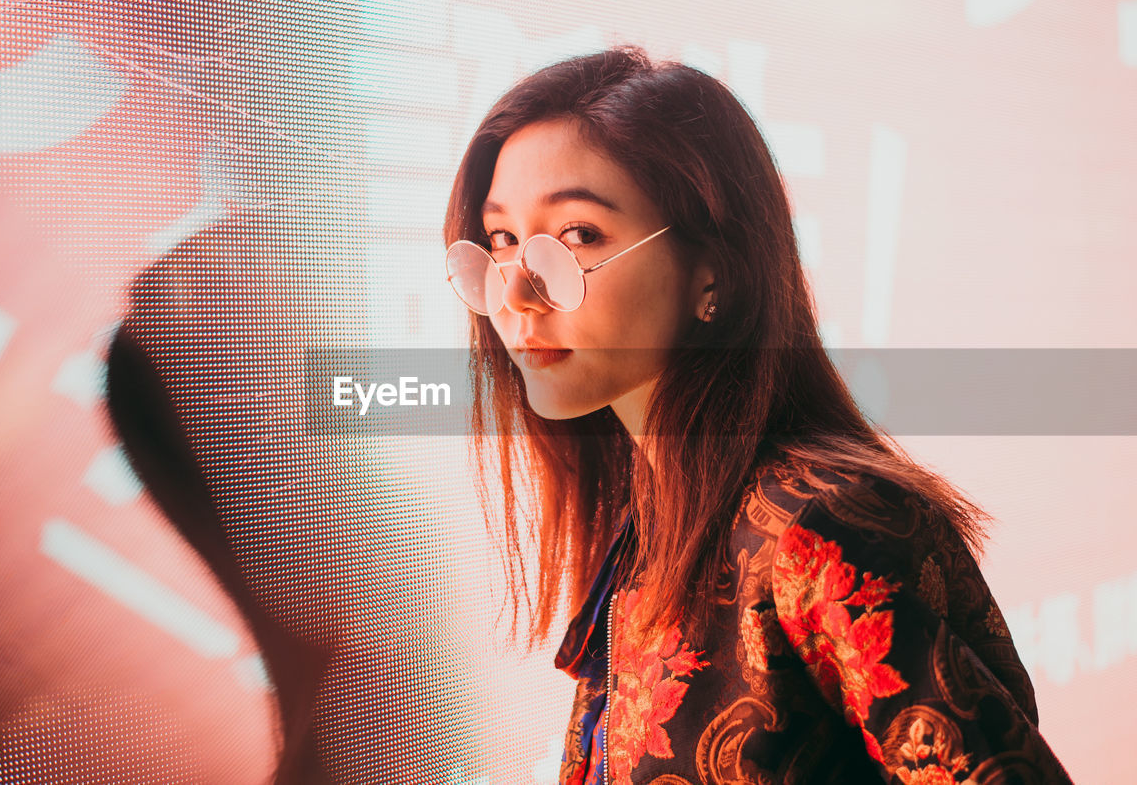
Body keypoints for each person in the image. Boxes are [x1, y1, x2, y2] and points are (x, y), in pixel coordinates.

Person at [442, 47, 1073, 784]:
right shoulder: (650, 523)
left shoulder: (818, 524)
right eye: (502, 241)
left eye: (577, 236)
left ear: (712, 270)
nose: (517, 293)